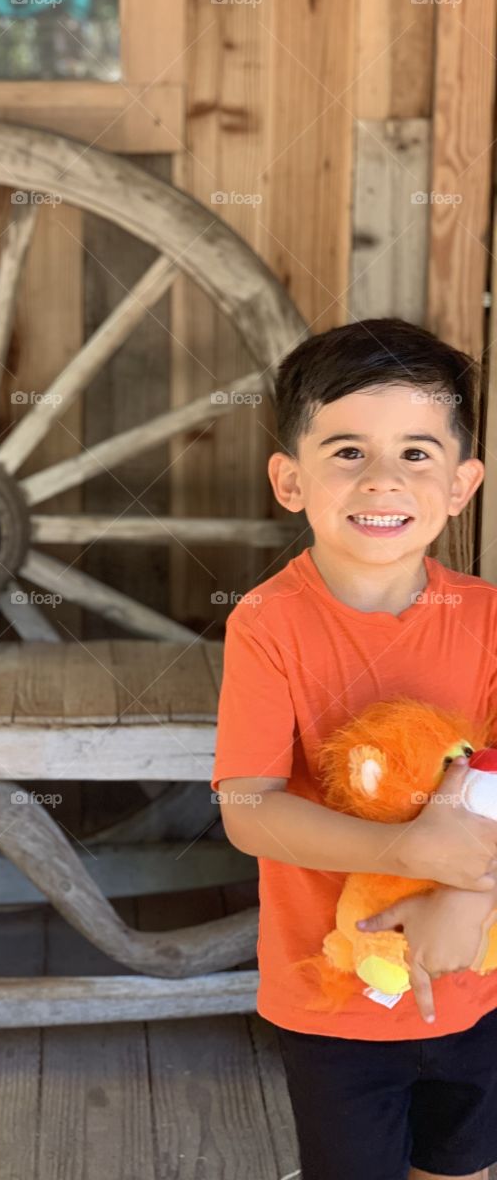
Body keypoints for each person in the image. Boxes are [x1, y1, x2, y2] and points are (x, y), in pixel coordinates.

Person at [213, 318, 497, 1180]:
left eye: (417, 452)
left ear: (462, 485)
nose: (382, 478)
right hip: (330, 1002)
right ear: (289, 480)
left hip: (480, 987)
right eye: (346, 451)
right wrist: (402, 849)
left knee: (463, 1168)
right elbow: (250, 809)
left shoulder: (486, 620)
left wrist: (472, 899)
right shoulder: (267, 625)